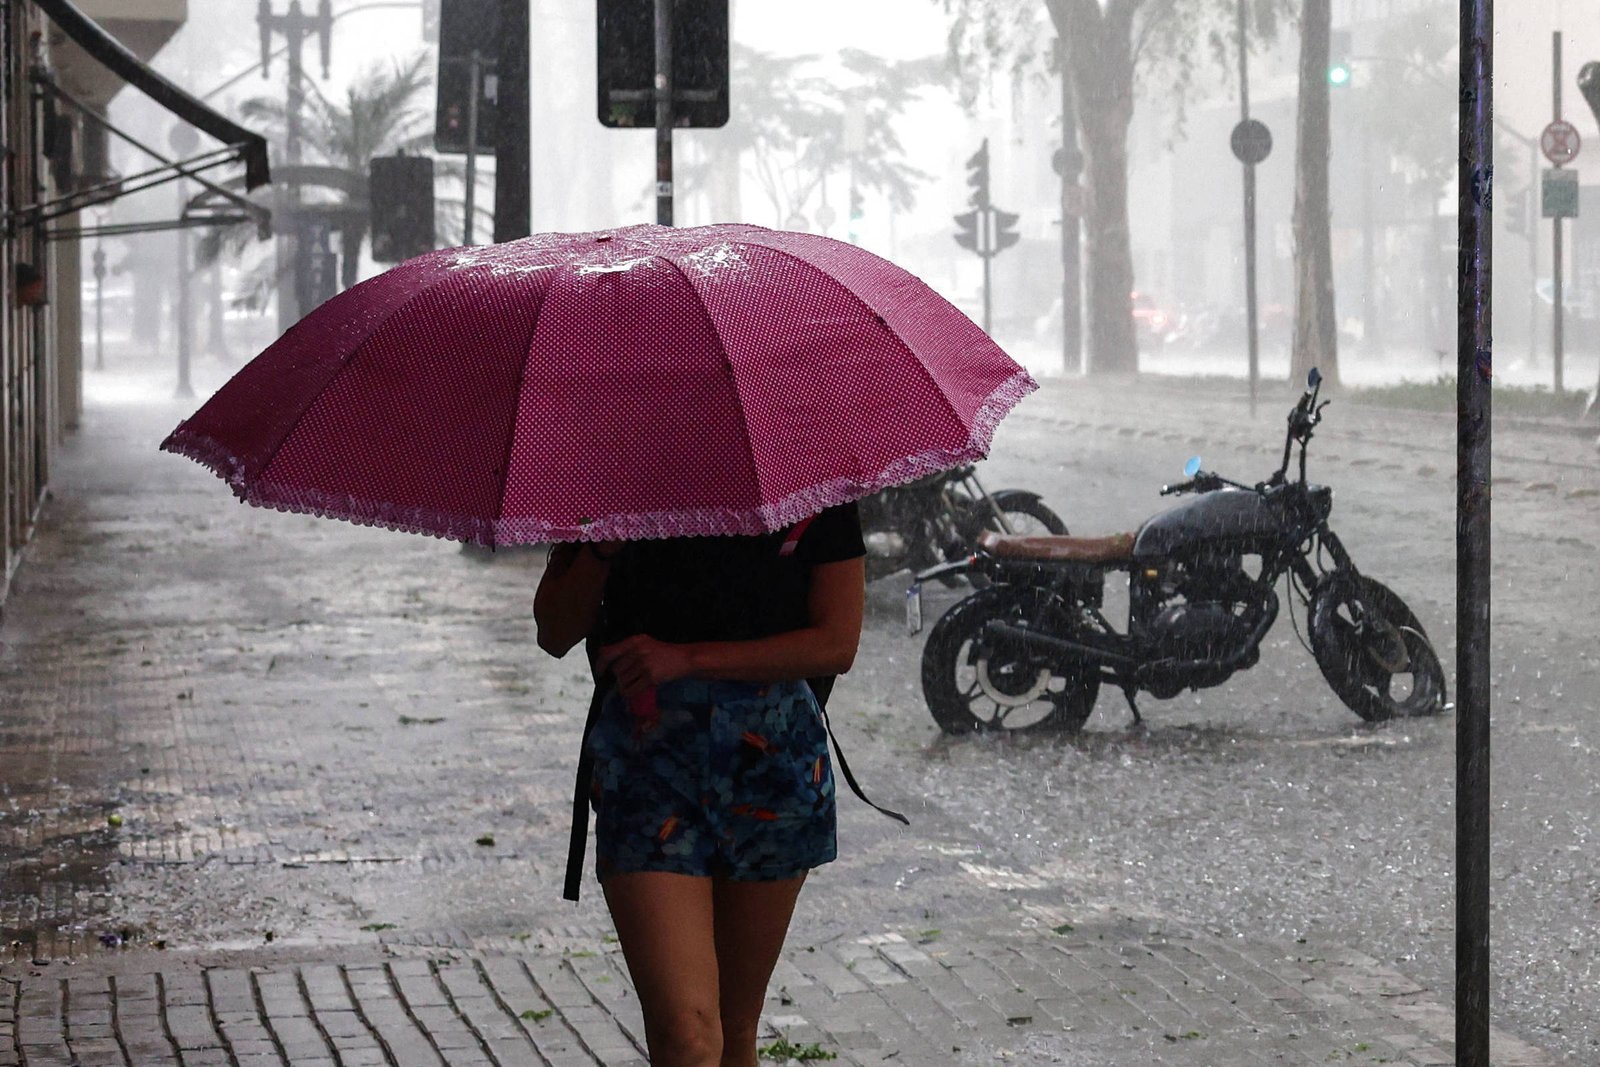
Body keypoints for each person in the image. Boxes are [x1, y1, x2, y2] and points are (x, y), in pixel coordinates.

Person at [533, 502, 876, 1067]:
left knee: (735, 1029)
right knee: (688, 1038)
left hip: (773, 766)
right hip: (648, 767)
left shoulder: (806, 475)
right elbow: (554, 631)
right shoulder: (614, 478)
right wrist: (602, 547)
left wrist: (688, 659)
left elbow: (836, 642)